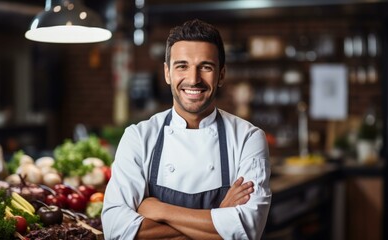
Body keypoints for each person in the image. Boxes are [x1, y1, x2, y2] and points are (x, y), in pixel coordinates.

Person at [101, 19, 272, 240]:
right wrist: (220, 216)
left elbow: (246, 231)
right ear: (167, 73)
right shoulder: (139, 137)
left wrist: (160, 210)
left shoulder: (248, 138)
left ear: (221, 75)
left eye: (206, 67)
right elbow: (116, 231)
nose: (193, 79)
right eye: (182, 66)